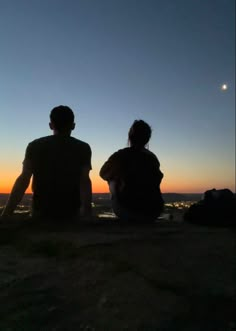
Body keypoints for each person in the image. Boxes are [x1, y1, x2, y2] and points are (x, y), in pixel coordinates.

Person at [1, 105, 92, 221]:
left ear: (50, 125)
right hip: (71, 213)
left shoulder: (34, 145)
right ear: (73, 126)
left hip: (40, 212)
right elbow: (84, 181)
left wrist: (6, 213)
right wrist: (87, 213)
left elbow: (24, 179)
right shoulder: (83, 148)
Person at [99, 120, 164, 222]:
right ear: (147, 139)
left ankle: (124, 204)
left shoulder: (120, 155)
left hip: (127, 212)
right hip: (153, 212)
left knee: (111, 180)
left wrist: (118, 176)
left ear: (130, 136)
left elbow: (102, 174)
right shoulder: (153, 158)